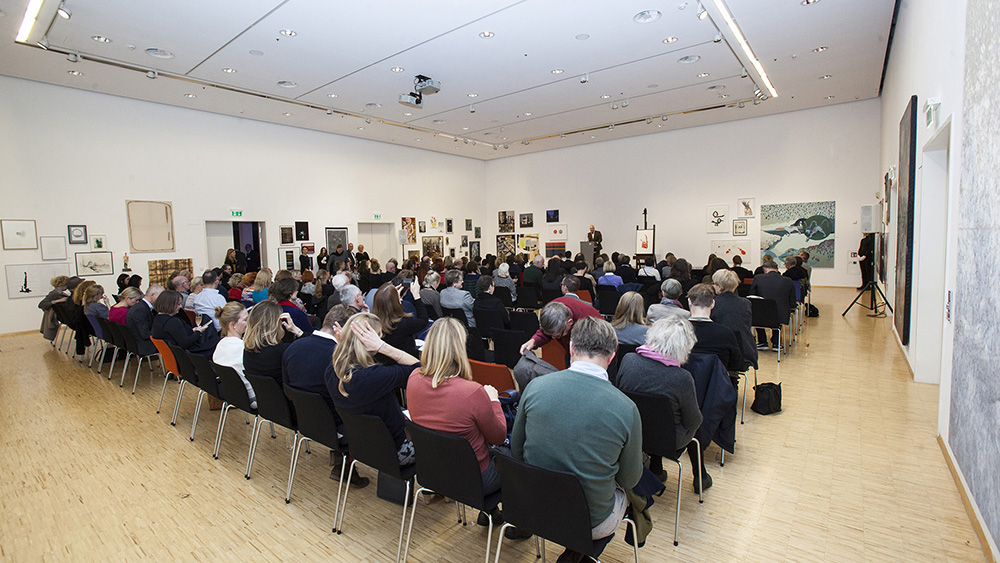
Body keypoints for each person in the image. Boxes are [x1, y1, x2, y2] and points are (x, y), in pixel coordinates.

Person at [511, 317, 642, 559]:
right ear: (613, 355)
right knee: (635, 492)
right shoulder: (626, 408)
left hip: (535, 506)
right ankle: (576, 553)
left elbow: (517, 451)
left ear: (571, 348)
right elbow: (629, 479)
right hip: (590, 522)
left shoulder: (535, 387)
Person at [407, 318, 507, 519]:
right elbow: (498, 436)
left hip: (434, 473)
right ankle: (515, 523)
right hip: (475, 479)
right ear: (460, 349)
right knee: (516, 456)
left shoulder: (413, 378)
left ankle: (490, 513)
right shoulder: (471, 392)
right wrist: (494, 401)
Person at [616, 315, 707, 489]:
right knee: (696, 421)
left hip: (633, 432)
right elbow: (693, 421)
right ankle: (700, 476)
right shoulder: (682, 378)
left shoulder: (629, 360)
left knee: (654, 412)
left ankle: (656, 467)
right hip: (668, 440)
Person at [328, 314, 421, 466]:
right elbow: (418, 370)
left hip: (363, 446)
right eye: (379, 337)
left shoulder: (332, 371)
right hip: (396, 451)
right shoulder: (375, 377)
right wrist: (383, 347)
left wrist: (346, 343)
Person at [243, 300, 304, 385]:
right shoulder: (283, 351)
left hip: (263, 393)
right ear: (275, 324)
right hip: (287, 392)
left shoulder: (247, 351)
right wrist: (296, 330)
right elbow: (311, 348)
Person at [519, 294, 601, 356]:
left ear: (570, 322)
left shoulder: (589, 320)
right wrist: (534, 341)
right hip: (571, 351)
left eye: (558, 336)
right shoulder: (551, 310)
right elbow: (546, 332)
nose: (553, 338)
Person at [686, 284, 743, 373]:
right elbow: (736, 365)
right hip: (716, 380)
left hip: (681, 381)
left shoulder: (675, 331)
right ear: (713, 303)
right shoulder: (726, 334)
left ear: (689, 302)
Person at [212, 301, 256, 408]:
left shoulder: (220, 344)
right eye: (245, 320)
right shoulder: (242, 347)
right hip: (251, 397)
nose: (249, 323)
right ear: (232, 325)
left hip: (231, 394)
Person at [711, 269, 756, 371]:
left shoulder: (713, 303)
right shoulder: (746, 303)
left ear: (719, 286)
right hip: (745, 351)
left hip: (721, 354)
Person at [151, 290, 218, 356]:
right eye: (178, 304)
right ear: (169, 305)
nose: (180, 306)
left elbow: (177, 335)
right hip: (188, 355)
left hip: (175, 354)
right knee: (215, 344)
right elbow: (185, 343)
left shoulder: (158, 319)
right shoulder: (172, 322)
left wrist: (193, 331)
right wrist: (198, 332)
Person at [372, 281, 428, 358]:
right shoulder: (404, 323)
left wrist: (395, 298)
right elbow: (424, 321)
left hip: (386, 361)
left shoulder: (373, 323)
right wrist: (417, 296)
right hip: (407, 361)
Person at [750, 261, 796, 350]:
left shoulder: (758, 278)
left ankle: (762, 341)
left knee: (757, 311)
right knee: (778, 311)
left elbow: (752, 296)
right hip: (780, 316)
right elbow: (792, 301)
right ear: (777, 269)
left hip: (761, 316)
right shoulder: (787, 280)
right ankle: (776, 342)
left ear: (765, 269)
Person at [126, 284, 164, 357]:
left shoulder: (141, 306)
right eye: (160, 297)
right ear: (152, 295)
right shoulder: (140, 309)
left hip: (138, 342)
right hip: (144, 345)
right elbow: (145, 334)